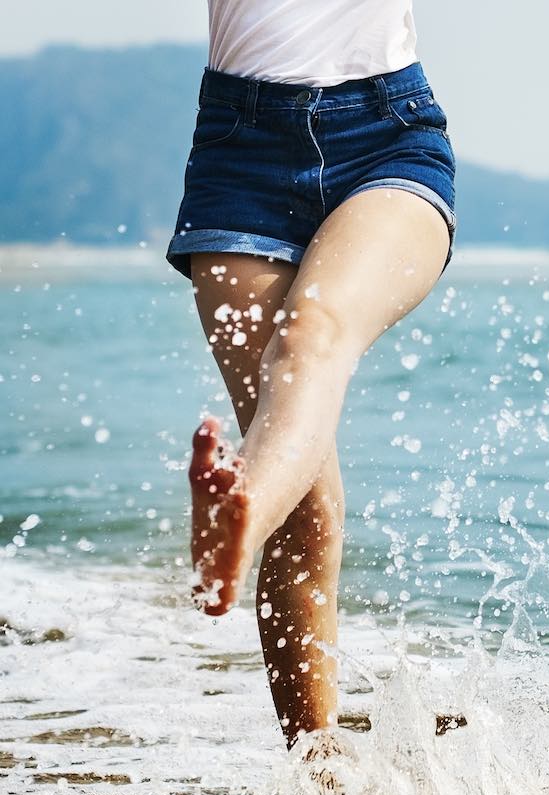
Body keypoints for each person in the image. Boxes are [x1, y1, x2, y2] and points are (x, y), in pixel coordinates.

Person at [166, 0, 456, 750]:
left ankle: (235, 522)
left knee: (311, 334)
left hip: (386, 136)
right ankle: (319, 773)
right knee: (309, 510)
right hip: (240, 155)